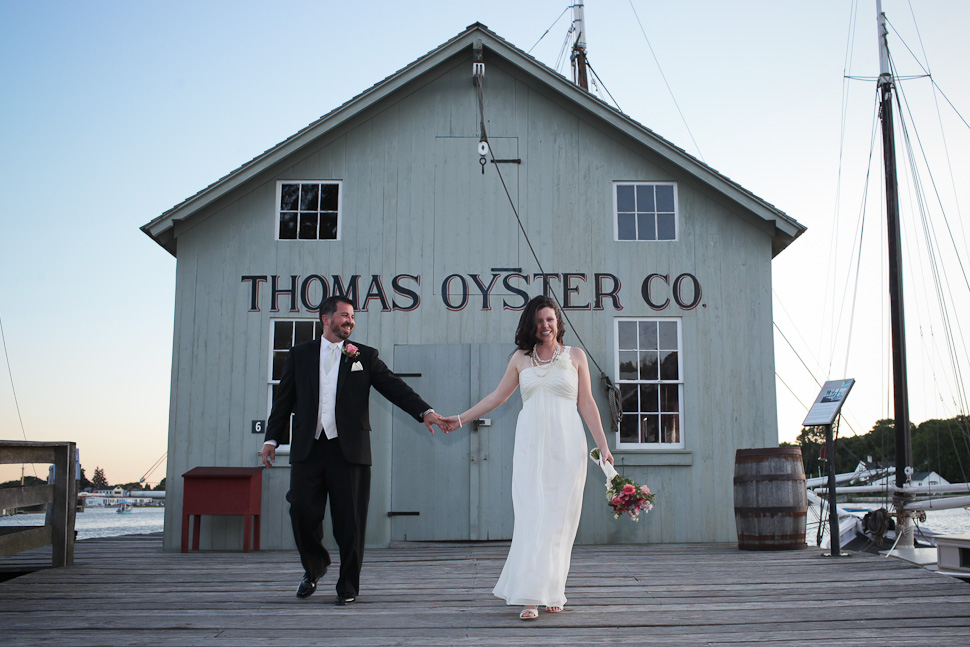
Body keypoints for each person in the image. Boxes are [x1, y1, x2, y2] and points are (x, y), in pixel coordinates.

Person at [261, 295, 447, 605]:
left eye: (352, 317)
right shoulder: (300, 354)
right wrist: (272, 439)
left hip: (350, 451)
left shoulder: (363, 355)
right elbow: (284, 400)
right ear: (326, 318)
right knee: (302, 513)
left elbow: (394, 387)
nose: (350, 321)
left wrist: (425, 412)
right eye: (345, 315)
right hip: (309, 448)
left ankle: (348, 585)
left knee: (350, 522)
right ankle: (315, 566)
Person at [442, 295, 614, 620]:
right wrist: (461, 418)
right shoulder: (521, 359)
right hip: (530, 445)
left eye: (549, 319)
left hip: (568, 445)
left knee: (560, 521)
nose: (545, 326)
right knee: (533, 515)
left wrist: (603, 446)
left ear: (557, 321)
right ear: (530, 326)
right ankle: (530, 597)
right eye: (538, 322)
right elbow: (497, 396)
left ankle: (552, 589)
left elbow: (587, 403)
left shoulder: (575, 356)